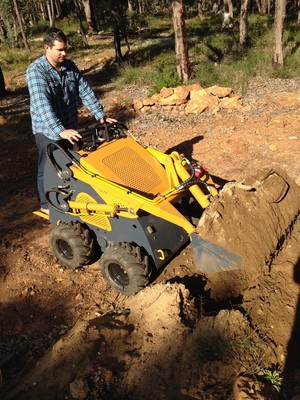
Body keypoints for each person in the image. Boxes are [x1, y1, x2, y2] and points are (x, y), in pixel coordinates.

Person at [26, 27, 115, 215]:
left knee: (72, 163)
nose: (64, 53)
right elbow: (42, 105)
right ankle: (46, 204)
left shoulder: (70, 67)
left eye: (66, 49)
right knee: (48, 166)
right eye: (60, 50)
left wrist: (101, 115)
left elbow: (85, 92)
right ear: (47, 48)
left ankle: (68, 198)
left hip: (69, 125)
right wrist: (59, 130)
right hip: (47, 129)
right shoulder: (36, 71)